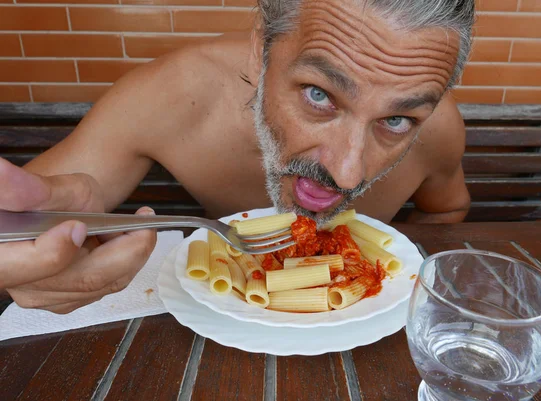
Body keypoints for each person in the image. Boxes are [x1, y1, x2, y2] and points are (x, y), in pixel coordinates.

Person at [0, 0, 474, 313]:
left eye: (396, 121)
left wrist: (387, 287)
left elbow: (448, 209)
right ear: (261, 45)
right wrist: (31, 263)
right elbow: (16, 223)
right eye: (318, 93)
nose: (346, 172)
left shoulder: (439, 127)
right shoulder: (172, 95)